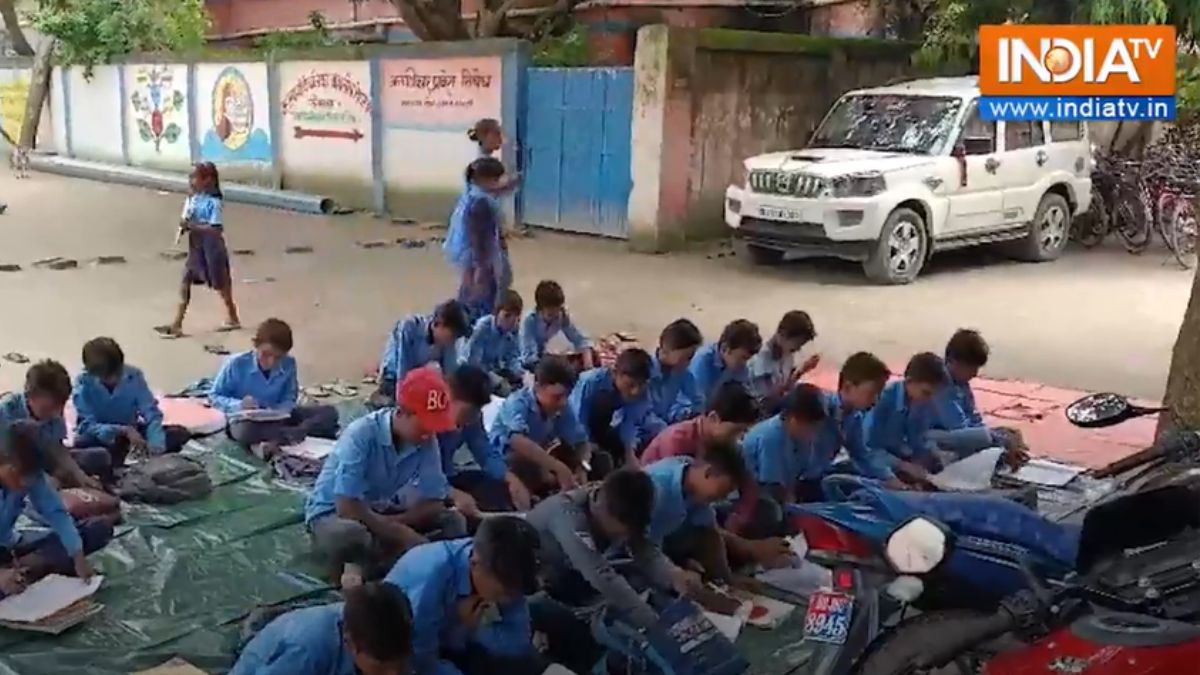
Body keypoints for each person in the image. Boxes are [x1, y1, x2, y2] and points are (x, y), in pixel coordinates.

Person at [305, 367, 467, 586]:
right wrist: (397, 531)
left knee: (453, 520)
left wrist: (395, 525)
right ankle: (388, 562)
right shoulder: (361, 434)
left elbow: (434, 500)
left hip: (378, 512)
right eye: (425, 425)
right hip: (335, 514)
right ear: (401, 413)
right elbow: (347, 506)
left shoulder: (426, 439)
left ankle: (382, 561)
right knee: (353, 536)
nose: (430, 433)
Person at [525, 470, 688, 673]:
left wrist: (672, 574)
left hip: (571, 579)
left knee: (642, 589)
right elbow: (601, 575)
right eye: (621, 530)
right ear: (603, 510)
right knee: (610, 622)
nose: (625, 535)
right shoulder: (567, 516)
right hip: (537, 589)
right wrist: (655, 627)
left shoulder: (619, 501)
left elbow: (643, 549)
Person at [385, 516, 546, 675]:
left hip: (462, 644)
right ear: (476, 564)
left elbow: (517, 642)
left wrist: (477, 629)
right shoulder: (431, 579)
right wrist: (459, 629)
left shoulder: (507, 573)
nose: (511, 599)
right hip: (406, 649)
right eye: (506, 591)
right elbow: (421, 662)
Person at [0, 421, 109, 599]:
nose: (24, 484)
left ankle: (26, 567)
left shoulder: (30, 476)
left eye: (31, 477)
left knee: (97, 529)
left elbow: (56, 513)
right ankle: (23, 570)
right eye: (18, 475)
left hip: (9, 543)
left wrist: (78, 557)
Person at [231, 582, 414, 675]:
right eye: (382, 666)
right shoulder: (304, 650)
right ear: (350, 643)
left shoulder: (392, 632)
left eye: (398, 664)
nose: (393, 674)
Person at [210, 318, 339, 447]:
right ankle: (292, 435)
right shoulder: (236, 363)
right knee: (245, 432)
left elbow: (290, 396)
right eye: (266, 354)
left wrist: (281, 410)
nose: (271, 362)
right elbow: (214, 397)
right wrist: (239, 405)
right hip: (246, 421)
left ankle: (287, 435)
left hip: (278, 418)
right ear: (256, 345)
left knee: (329, 412)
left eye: (278, 357)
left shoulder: (289, 363)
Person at [72, 338, 190, 477]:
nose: (114, 379)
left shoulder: (134, 376)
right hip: (103, 438)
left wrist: (155, 444)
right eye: (107, 377)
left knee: (179, 433)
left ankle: (126, 458)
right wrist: (122, 430)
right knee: (89, 449)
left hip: (133, 436)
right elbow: (87, 426)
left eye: (117, 374)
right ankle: (116, 461)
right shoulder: (83, 384)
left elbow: (150, 412)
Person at [489, 357, 603, 499]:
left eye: (567, 396)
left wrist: (583, 466)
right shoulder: (516, 403)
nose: (562, 402)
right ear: (537, 387)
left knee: (599, 458)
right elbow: (517, 440)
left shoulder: (563, 407)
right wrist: (557, 467)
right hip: (508, 462)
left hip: (543, 460)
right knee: (523, 464)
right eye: (557, 397)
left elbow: (581, 441)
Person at [155, 161, 240, 338]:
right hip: (196, 247)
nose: (191, 181)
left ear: (208, 179)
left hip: (212, 248)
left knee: (221, 284)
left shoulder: (213, 202)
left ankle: (232, 315)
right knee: (186, 280)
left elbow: (216, 229)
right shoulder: (193, 199)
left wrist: (192, 226)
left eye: (195, 177)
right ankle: (177, 323)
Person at [645, 447, 747, 588]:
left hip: (659, 545)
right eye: (724, 491)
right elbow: (643, 550)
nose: (723, 498)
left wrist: (728, 579)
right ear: (709, 473)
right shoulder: (657, 488)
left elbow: (711, 533)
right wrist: (676, 574)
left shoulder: (693, 480)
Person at [439, 365, 531, 516]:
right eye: (469, 411)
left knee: (494, 487)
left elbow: (484, 452)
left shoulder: (472, 418)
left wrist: (509, 478)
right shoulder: (428, 421)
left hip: (447, 475)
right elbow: (419, 474)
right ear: (450, 397)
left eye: (477, 411)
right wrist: (452, 493)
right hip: (421, 487)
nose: (472, 418)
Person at [932, 329, 1029, 465]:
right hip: (937, 435)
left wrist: (1002, 438)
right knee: (984, 438)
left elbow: (974, 417)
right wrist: (999, 441)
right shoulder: (938, 383)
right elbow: (956, 426)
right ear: (953, 362)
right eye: (971, 368)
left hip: (960, 432)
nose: (975, 374)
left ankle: (1009, 455)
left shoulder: (962, 384)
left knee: (1012, 433)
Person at [0, 361, 98, 490]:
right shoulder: (7, 410)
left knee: (99, 456)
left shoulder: (54, 414)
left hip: (43, 461)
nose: (56, 413)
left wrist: (80, 476)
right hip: (11, 464)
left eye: (60, 406)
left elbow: (58, 448)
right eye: (49, 408)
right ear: (30, 397)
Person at [567, 348, 665, 470]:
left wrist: (629, 454)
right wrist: (586, 445)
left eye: (641, 385)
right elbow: (577, 417)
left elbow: (630, 423)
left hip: (603, 425)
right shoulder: (590, 382)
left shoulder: (642, 392)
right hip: (571, 427)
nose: (635, 391)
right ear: (614, 373)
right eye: (630, 385)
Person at [863, 352, 949, 488]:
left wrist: (927, 458)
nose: (930, 399)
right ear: (909, 381)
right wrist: (903, 465)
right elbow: (868, 450)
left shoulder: (923, 402)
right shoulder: (883, 400)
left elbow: (919, 442)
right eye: (926, 392)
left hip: (901, 460)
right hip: (876, 466)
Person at [740, 384, 829, 506]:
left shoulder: (803, 437)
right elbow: (773, 489)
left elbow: (806, 476)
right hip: (755, 495)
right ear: (794, 420)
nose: (814, 434)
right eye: (811, 428)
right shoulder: (771, 437)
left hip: (782, 491)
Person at [375, 301, 471, 408]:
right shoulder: (410, 327)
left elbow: (450, 374)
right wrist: (403, 405)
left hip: (418, 378)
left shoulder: (448, 341)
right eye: (452, 335)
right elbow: (403, 372)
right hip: (394, 377)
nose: (453, 341)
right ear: (438, 324)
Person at [446, 157, 508, 322]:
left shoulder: (471, 194)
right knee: (480, 301)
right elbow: (480, 238)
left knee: (468, 298)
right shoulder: (481, 203)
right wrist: (482, 268)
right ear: (485, 179)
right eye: (496, 179)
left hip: (469, 260)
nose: (499, 183)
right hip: (479, 262)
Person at [747, 310, 821, 414]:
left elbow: (786, 386)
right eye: (797, 343)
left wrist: (802, 370)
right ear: (783, 335)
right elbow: (764, 403)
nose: (798, 349)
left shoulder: (786, 353)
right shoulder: (761, 362)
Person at [518, 281, 593, 373]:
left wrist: (588, 364)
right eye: (550, 314)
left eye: (557, 311)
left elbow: (580, 339)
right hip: (524, 360)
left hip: (542, 356)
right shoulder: (529, 321)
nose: (555, 316)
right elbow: (529, 357)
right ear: (540, 309)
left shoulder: (561, 316)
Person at [688, 319, 763, 409]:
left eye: (747, 359)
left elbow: (746, 393)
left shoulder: (739, 366)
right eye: (742, 358)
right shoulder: (702, 362)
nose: (744, 364)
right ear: (725, 349)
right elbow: (696, 403)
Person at [463, 289, 524, 396]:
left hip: (498, 371)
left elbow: (513, 358)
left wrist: (521, 374)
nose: (511, 321)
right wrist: (497, 381)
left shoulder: (514, 330)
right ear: (496, 313)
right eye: (507, 316)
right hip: (476, 375)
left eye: (516, 317)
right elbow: (474, 364)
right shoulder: (482, 329)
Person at [648, 318, 704, 424]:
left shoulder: (681, 372)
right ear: (665, 352)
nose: (689, 362)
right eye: (687, 357)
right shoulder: (644, 372)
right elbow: (642, 416)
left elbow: (698, 401)